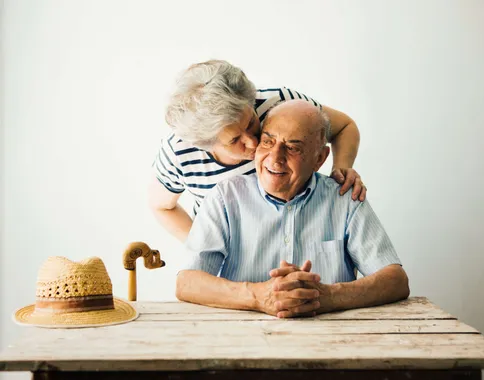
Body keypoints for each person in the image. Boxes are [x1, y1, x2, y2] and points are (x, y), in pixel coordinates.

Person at [176, 100, 409, 318]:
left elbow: (396, 281)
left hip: (333, 342)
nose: (275, 158)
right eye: (267, 141)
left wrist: (326, 296)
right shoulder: (225, 197)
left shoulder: (344, 198)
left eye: (292, 148)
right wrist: (259, 296)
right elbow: (187, 283)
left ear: (320, 158)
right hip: (244, 342)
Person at [149, 60, 366, 242]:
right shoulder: (179, 153)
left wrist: (342, 169)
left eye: (251, 121)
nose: (253, 143)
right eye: (235, 140)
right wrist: (203, 246)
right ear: (205, 143)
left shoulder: (281, 104)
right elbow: (162, 207)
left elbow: (344, 127)